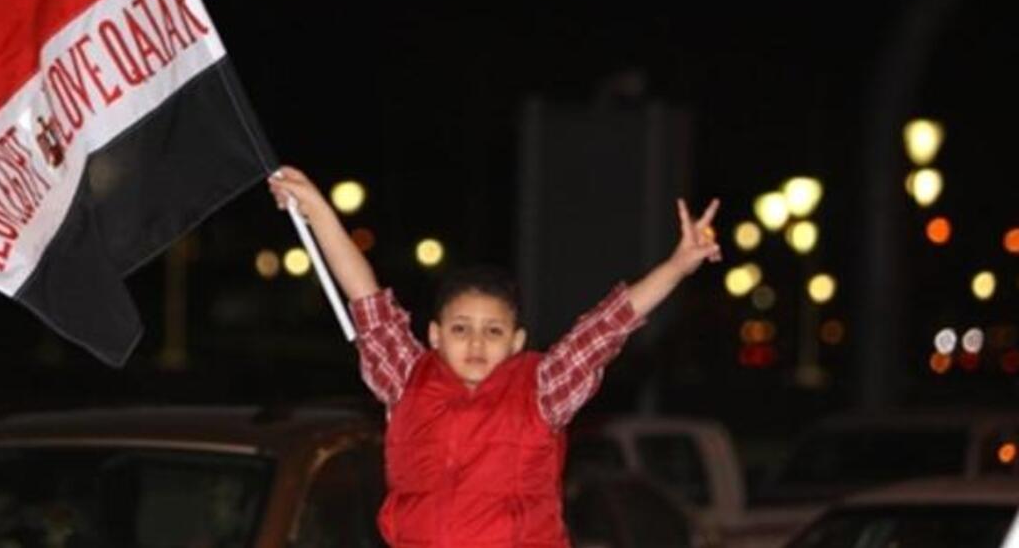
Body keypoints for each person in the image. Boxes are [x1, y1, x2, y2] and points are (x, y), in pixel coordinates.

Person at [268, 165, 721, 547]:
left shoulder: (542, 390)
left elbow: (607, 326)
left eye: (493, 331)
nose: (477, 343)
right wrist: (318, 210)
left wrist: (679, 265)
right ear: (436, 335)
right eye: (461, 329)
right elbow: (364, 295)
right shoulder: (407, 378)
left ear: (516, 341)